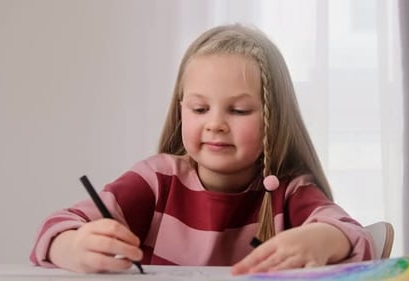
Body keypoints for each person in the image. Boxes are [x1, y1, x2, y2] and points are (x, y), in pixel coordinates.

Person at [29, 23, 376, 274]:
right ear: (181, 110)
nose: (215, 124)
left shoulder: (288, 191)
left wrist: (322, 240)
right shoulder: (156, 179)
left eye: (238, 110)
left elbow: (356, 238)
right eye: (199, 109)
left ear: (275, 119)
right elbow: (57, 227)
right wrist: (74, 247)